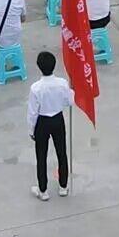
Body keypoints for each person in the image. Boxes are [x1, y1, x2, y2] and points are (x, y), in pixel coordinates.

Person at [27, 50, 74, 199]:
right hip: (58, 119)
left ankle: (43, 190)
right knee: (62, 153)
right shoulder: (62, 83)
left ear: (39, 67)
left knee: (41, 156)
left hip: (42, 122)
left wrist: (31, 129)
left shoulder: (36, 88)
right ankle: (63, 186)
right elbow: (69, 102)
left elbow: (33, 112)